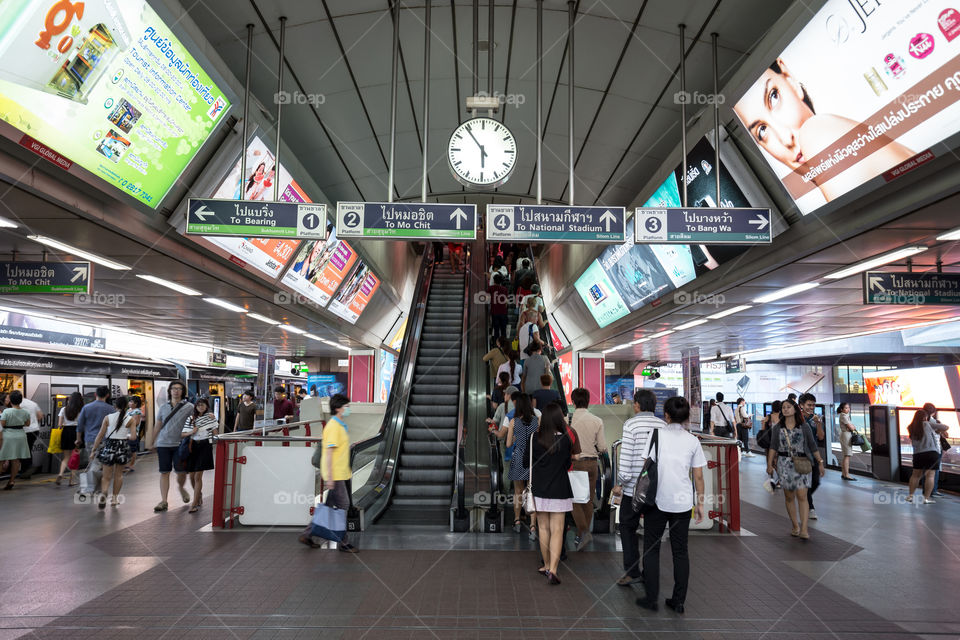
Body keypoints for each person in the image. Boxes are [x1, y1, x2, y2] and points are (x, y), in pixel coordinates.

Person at [733, 59, 913, 203]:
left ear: (790, 80)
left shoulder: (819, 133)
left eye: (774, 97)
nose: (786, 139)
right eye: (762, 131)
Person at [635, 396, 706, 614]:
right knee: (680, 552)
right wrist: (700, 504)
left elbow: (645, 466)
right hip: (683, 503)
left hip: (657, 500)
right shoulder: (693, 440)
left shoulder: (656, 436)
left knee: (651, 549)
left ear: (665, 414)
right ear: (686, 417)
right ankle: (678, 601)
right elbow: (698, 476)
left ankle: (651, 598)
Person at [611, 389, 665, 586]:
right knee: (652, 531)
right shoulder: (663, 425)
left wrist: (620, 483)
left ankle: (633, 572)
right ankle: (650, 573)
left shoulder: (631, 424)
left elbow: (626, 457)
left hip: (633, 489)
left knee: (627, 527)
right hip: (656, 489)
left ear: (637, 405)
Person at [299, 394, 358, 552]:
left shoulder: (340, 425)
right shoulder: (333, 426)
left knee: (328, 505)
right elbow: (329, 453)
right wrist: (330, 478)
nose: (348, 409)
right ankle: (344, 542)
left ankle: (308, 534)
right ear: (338, 408)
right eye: (346, 406)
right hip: (335, 474)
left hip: (341, 473)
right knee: (343, 505)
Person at [523, 403, 574, 585]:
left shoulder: (533, 438)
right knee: (558, 530)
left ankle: (545, 565)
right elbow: (568, 464)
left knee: (543, 528)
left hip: (540, 489)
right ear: (560, 419)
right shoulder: (566, 439)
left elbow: (525, 463)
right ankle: (553, 569)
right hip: (560, 489)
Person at [765, 399, 824, 539]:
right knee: (789, 496)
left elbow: (812, 446)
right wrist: (769, 464)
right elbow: (773, 447)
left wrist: (820, 462)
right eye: (783, 407)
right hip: (784, 464)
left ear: (795, 409)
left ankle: (804, 529)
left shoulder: (804, 427)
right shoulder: (778, 428)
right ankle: (795, 525)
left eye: (788, 407)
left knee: (802, 496)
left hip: (802, 462)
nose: (785, 409)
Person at [149, 380, 194, 512]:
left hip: (180, 444)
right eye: (173, 388)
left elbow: (196, 421)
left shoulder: (189, 407)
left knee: (181, 472)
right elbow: (157, 425)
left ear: (183, 392)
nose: (176, 391)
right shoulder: (163, 407)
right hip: (163, 444)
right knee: (164, 472)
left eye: (179, 389)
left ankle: (181, 487)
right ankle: (164, 501)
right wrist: (152, 442)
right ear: (169, 391)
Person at [569, 387, 605, 550]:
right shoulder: (597, 420)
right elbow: (603, 447)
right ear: (588, 401)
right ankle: (583, 534)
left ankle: (582, 532)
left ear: (573, 401)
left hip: (576, 463)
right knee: (589, 500)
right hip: (592, 464)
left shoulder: (569, 420)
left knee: (575, 500)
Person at [90, 396, 138, 508]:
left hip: (109, 447)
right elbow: (133, 438)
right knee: (119, 475)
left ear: (115, 406)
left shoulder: (108, 418)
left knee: (106, 476)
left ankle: (104, 492)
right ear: (126, 406)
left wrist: (93, 450)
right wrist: (124, 435)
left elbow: (100, 435)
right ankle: (115, 499)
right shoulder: (131, 420)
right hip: (122, 447)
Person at [506, 394, 540, 538]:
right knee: (532, 492)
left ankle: (517, 521)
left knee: (518, 492)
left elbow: (508, 444)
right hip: (533, 458)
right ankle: (533, 526)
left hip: (519, 457)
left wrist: (515, 438)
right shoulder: (537, 421)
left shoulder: (513, 422)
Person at [181, 397, 218, 513]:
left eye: (203, 405)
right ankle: (199, 495)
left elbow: (216, 433)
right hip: (193, 447)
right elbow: (183, 434)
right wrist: (192, 431)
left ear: (207, 406)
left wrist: (216, 439)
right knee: (192, 476)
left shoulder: (211, 418)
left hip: (205, 447)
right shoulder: (191, 419)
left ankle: (194, 503)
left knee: (198, 477)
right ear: (195, 407)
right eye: (198, 405)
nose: (200, 407)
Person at [75, 386, 115, 493]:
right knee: (97, 464)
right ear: (107, 395)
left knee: (94, 462)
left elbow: (80, 425)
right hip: (106, 441)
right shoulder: (111, 409)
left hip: (89, 440)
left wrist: (78, 439)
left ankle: (88, 487)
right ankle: (88, 488)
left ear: (95, 394)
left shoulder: (86, 408)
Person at [906, 408, 945, 504]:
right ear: (925, 417)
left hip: (918, 454)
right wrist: (938, 430)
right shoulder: (927, 424)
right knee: (930, 476)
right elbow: (945, 427)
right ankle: (926, 498)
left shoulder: (910, 427)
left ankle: (910, 496)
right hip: (931, 453)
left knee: (915, 475)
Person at [798, 393, 824, 520]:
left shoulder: (815, 419)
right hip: (800, 456)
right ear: (801, 406)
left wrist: (818, 424)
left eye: (813, 405)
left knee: (815, 482)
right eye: (809, 405)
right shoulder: (796, 419)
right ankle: (810, 507)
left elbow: (820, 437)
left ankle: (803, 499)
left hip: (813, 455)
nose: (812, 407)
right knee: (805, 482)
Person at [0, 391, 31, 490]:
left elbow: (3, 424)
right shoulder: (25, 412)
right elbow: (27, 424)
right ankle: (12, 480)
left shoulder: (6, 412)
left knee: (1, 458)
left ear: (11, 400)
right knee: (16, 460)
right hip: (21, 435)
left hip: (8, 435)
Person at [55, 392, 83, 486]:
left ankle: (60, 474)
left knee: (66, 457)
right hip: (76, 432)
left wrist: (65, 423)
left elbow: (59, 425)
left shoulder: (64, 409)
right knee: (75, 457)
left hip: (66, 432)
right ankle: (72, 481)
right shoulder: (81, 410)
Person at [921, 403, 948, 497]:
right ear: (934, 411)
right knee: (934, 472)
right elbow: (946, 433)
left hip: (922, 449)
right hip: (935, 449)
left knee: (925, 471)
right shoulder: (935, 422)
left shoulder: (919, 422)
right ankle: (933, 490)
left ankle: (925, 490)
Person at [123, 396, 144, 473]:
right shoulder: (129, 410)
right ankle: (127, 464)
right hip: (126, 433)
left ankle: (131, 465)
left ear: (136, 403)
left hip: (133, 433)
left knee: (132, 450)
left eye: (131, 402)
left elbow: (136, 423)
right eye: (129, 401)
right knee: (127, 449)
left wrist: (126, 424)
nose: (129, 403)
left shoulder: (137, 411)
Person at [837, 402, 857, 481]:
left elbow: (851, 427)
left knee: (846, 455)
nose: (848, 409)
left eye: (848, 407)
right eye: (846, 408)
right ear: (842, 409)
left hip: (846, 435)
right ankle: (847, 475)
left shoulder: (844, 415)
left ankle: (844, 474)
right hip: (846, 435)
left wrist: (852, 427)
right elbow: (851, 428)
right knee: (847, 455)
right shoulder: (843, 416)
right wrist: (852, 427)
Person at [488, 274, 509, 340]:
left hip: (494, 312)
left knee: (496, 329)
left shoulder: (491, 288)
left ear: (494, 280)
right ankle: (504, 345)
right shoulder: (504, 289)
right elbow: (506, 301)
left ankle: (496, 345)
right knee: (503, 330)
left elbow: (486, 297)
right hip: (503, 312)